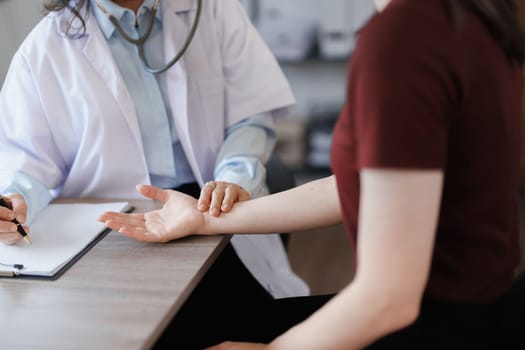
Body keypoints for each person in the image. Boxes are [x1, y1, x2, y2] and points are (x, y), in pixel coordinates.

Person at [100, 0, 525, 348]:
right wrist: (203, 217)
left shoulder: (402, 39)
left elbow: (388, 298)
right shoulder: (470, 18)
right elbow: (366, 188)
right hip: (480, 317)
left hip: (427, 328)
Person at [0, 0, 309, 318]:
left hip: (209, 210)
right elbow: (27, 160)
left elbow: (251, 116)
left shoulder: (214, 10)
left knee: (240, 319)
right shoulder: (43, 49)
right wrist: (12, 202)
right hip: (113, 231)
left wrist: (234, 179)